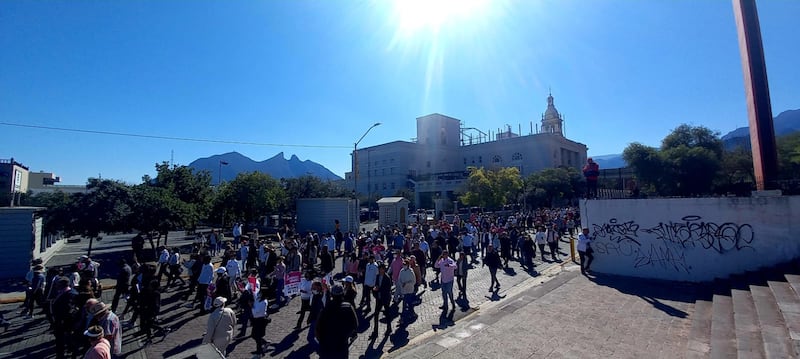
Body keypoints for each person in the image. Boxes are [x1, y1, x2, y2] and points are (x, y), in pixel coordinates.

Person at [316, 284, 358, 359]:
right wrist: (345, 335)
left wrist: (322, 340)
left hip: (326, 347)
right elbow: (355, 324)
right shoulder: (348, 307)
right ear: (343, 294)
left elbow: (318, 328)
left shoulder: (326, 308)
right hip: (341, 346)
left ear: (332, 294)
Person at [371, 262, 393, 338]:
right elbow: (376, 285)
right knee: (376, 314)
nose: (380, 270)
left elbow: (387, 289)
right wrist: (375, 289)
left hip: (385, 298)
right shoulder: (377, 276)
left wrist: (378, 289)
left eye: (381, 269)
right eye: (379, 269)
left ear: (384, 269)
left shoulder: (387, 278)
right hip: (379, 298)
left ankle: (389, 328)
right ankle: (375, 331)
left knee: (387, 314)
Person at [251, 289, 270, 355]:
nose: (258, 293)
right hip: (256, 320)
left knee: (257, 337)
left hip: (260, 320)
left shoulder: (263, 302)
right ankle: (264, 343)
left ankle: (259, 352)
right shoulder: (258, 299)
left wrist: (252, 306)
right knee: (254, 335)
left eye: (260, 293)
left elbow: (256, 311)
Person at [397, 259, 417, 323]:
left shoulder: (411, 272)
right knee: (409, 303)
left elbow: (413, 281)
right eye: (403, 264)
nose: (404, 266)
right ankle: (412, 313)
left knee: (405, 304)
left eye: (405, 264)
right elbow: (399, 279)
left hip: (409, 290)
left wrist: (407, 283)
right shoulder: (401, 271)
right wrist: (401, 284)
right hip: (404, 290)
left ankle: (403, 317)